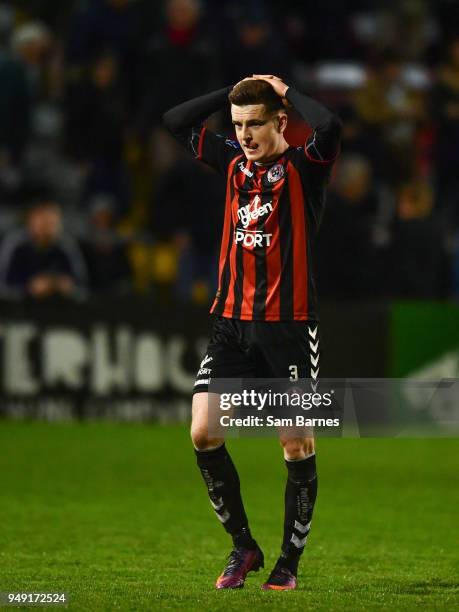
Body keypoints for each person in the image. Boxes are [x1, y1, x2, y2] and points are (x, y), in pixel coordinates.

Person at [163, 75, 341, 590]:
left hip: (288, 328)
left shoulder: (306, 168)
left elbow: (330, 124)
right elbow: (175, 121)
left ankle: (289, 562)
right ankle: (244, 548)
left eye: (255, 123)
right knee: (202, 432)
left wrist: (282, 90)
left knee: (295, 442)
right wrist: (232, 93)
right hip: (231, 326)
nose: (244, 134)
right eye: (238, 124)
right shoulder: (232, 164)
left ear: (280, 121)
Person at [0, 198, 88, 299]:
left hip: (59, 309)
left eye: (51, 220)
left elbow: (83, 289)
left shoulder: (66, 246)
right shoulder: (16, 244)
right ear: (30, 220)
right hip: (20, 310)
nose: (46, 225)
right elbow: (3, 288)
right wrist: (29, 289)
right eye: (41, 219)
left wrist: (68, 289)